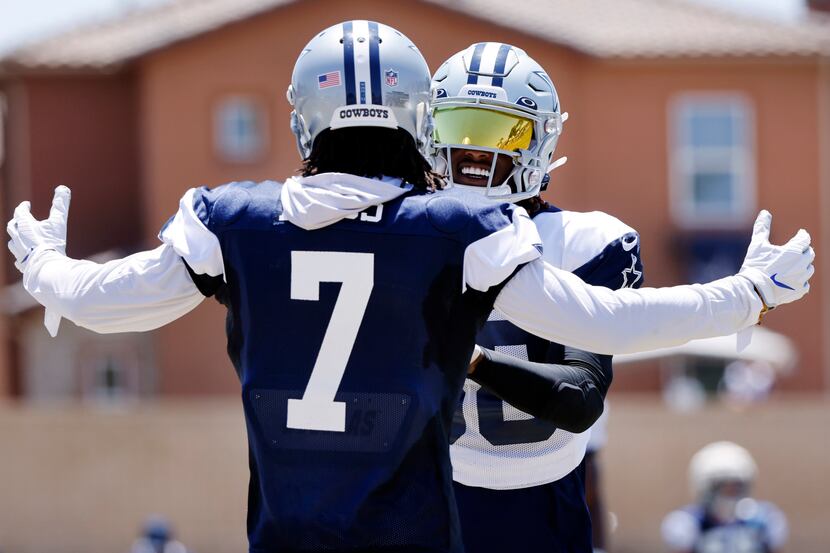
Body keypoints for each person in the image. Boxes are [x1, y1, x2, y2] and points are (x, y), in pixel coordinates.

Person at [5, 20, 813, 553]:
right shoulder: (457, 232)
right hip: (420, 529)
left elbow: (104, 304)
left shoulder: (235, 221)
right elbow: (608, 321)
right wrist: (746, 294)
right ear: (420, 119)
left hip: (294, 530)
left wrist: (44, 266)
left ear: (301, 122)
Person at [432, 43, 639, 552]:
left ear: (540, 141)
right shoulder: (409, 235)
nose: (476, 151)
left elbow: (579, 398)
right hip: (429, 502)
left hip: (543, 506)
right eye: (459, 127)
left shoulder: (583, 242)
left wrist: (473, 360)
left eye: (502, 131)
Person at [661, 441, 788, 553]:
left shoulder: (763, 520)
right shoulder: (687, 522)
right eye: (723, 488)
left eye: (736, 488)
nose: (730, 495)